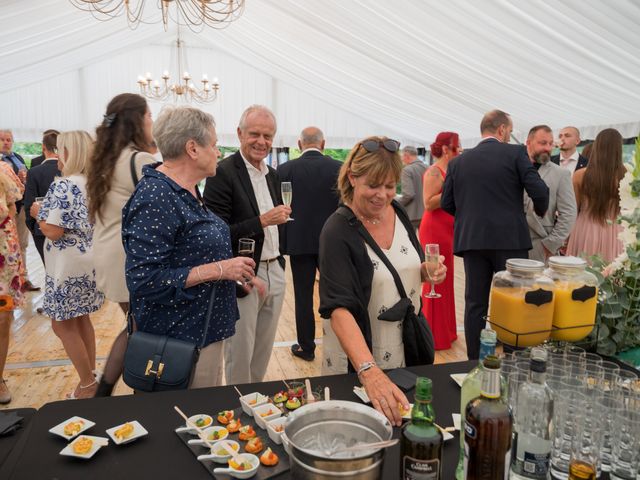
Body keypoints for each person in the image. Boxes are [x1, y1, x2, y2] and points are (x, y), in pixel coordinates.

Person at [122, 106, 256, 389]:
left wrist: (232, 276)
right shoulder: (156, 197)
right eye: (215, 144)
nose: (219, 152)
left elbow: (189, 254)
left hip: (200, 333)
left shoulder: (187, 191)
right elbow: (144, 280)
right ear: (193, 148)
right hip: (179, 340)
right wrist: (220, 269)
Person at [319, 136, 446, 426]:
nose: (382, 195)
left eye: (390, 186)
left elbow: (401, 268)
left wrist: (426, 271)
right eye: (373, 185)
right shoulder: (337, 231)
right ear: (352, 178)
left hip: (404, 350)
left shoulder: (398, 212)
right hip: (361, 359)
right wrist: (370, 371)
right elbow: (339, 310)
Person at [441, 110, 549, 359]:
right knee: (513, 299)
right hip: (510, 240)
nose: (510, 136)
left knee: (474, 304)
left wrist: (470, 217)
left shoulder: (458, 162)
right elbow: (539, 190)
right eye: (510, 131)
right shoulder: (515, 153)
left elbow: (447, 203)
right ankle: (513, 357)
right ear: (501, 130)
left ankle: (473, 361)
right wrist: (541, 211)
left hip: (473, 240)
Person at [203, 105, 291, 385]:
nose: (262, 142)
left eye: (268, 136)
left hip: (275, 271)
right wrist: (262, 220)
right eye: (255, 134)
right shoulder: (222, 172)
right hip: (243, 274)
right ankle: (237, 405)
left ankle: (257, 403)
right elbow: (217, 233)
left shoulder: (273, 175)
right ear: (240, 133)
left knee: (263, 349)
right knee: (240, 351)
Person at [85, 93, 156, 397]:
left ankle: (107, 390)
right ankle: (136, 388)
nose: (152, 121)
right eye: (150, 115)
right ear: (139, 120)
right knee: (143, 328)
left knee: (136, 325)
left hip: (107, 254)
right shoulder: (140, 160)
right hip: (131, 257)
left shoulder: (105, 160)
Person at [35, 131, 105, 399]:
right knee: (81, 318)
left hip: (67, 265)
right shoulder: (94, 184)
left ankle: (87, 384)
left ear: (68, 152)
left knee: (61, 325)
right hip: (89, 259)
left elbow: (52, 230)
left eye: (60, 150)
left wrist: (38, 215)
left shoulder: (63, 185)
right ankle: (90, 378)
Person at [277, 127, 341, 362]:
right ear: (323, 143)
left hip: (299, 243)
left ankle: (307, 347)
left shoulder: (285, 169)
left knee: (303, 297)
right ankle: (342, 342)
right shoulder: (339, 169)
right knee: (336, 294)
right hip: (333, 243)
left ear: (299, 143)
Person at [418, 132, 459, 350]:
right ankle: (432, 334)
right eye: (457, 147)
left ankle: (447, 330)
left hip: (448, 228)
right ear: (445, 149)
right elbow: (428, 203)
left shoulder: (450, 170)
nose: (460, 150)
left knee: (447, 277)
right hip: (434, 229)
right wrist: (455, 192)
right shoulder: (434, 171)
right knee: (435, 277)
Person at [566, 128, 625, 263]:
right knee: (612, 277)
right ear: (619, 149)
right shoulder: (627, 175)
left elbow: (573, 209)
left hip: (586, 229)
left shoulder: (580, 175)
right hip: (616, 232)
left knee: (582, 277)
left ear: (597, 146)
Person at [524, 125, 576, 263]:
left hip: (540, 246)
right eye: (543, 143)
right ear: (528, 142)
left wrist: (550, 245)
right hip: (508, 245)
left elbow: (569, 213)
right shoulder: (512, 167)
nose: (548, 148)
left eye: (550, 143)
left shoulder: (561, 174)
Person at [0, 129, 38, 292]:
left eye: (9, 139)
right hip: (4, 210)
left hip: (20, 206)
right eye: (2, 139)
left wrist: (25, 178)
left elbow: (25, 178)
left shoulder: (18, 157)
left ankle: (24, 278)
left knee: (22, 243)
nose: (6, 142)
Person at [0, 161, 25, 404]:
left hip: (2, 257)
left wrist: (18, 264)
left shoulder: (4, 171)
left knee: (2, 318)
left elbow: (12, 212)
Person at [24, 129, 61, 263]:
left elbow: (29, 204)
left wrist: (34, 228)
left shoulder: (34, 172)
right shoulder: (69, 169)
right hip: (65, 227)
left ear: (43, 147)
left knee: (50, 268)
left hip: (42, 228)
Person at [397, 145, 427, 229]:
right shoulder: (428, 168)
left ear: (407, 155)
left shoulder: (406, 170)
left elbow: (408, 195)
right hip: (426, 214)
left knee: (409, 242)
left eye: (402, 156)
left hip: (412, 215)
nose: (402, 159)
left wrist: (397, 204)